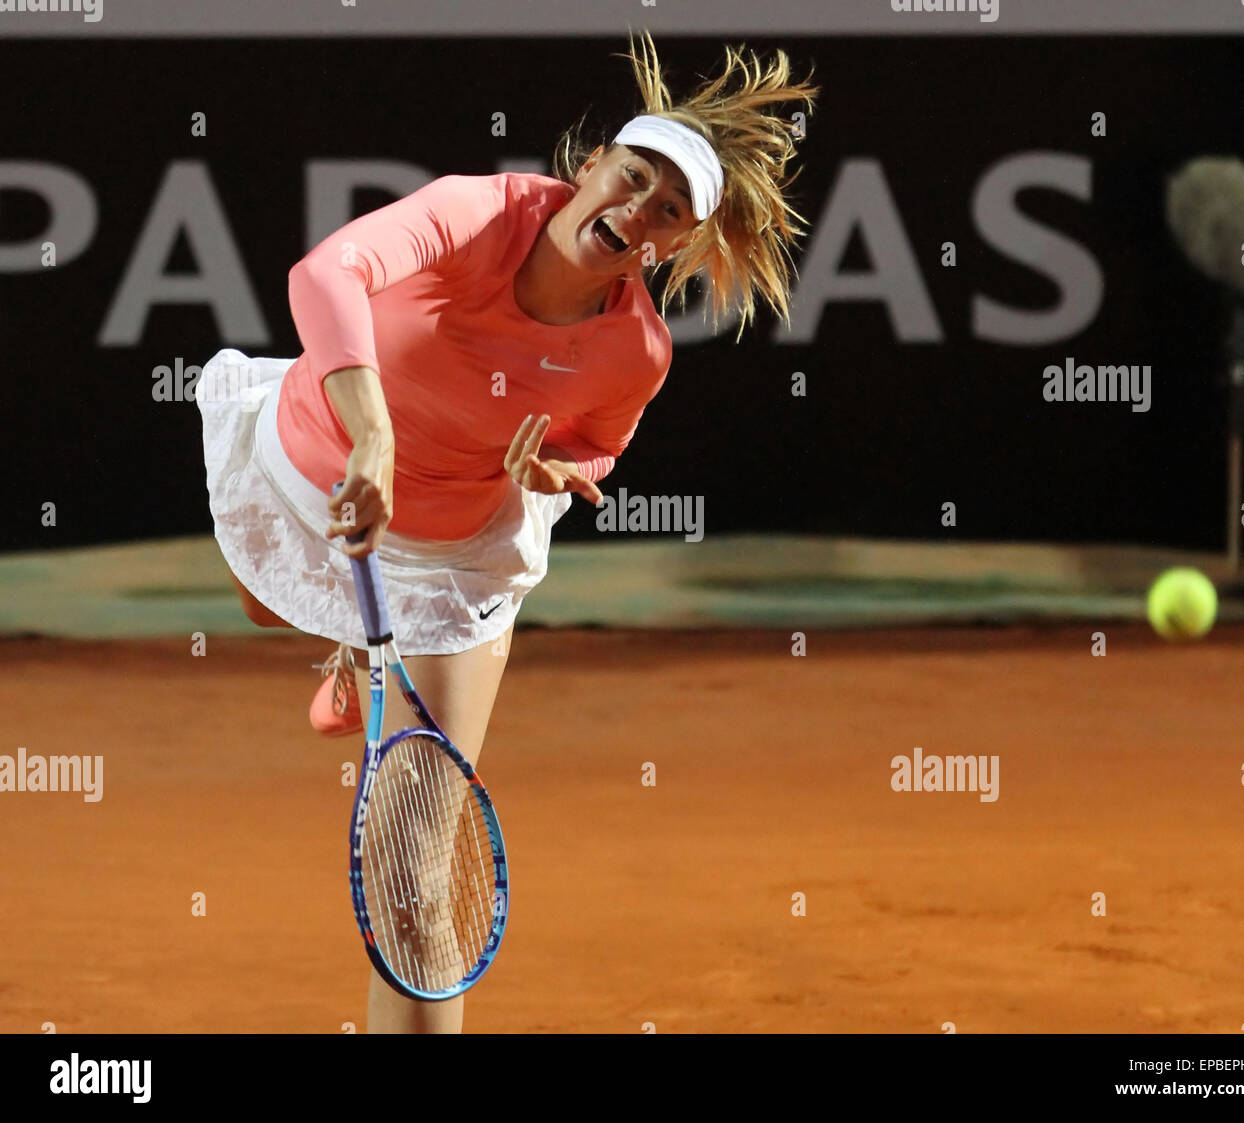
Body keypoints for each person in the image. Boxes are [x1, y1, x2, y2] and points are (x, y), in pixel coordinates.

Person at [195, 30, 818, 1033]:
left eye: (668, 211)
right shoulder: (478, 208)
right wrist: (376, 436)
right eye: (632, 177)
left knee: (409, 868)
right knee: (262, 602)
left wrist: (563, 472)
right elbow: (324, 275)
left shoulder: (635, 352)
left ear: (676, 245)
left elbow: (596, 445)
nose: (638, 211)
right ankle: (350, 638)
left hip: (451, 549)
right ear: (588, 168)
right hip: (312, 462)